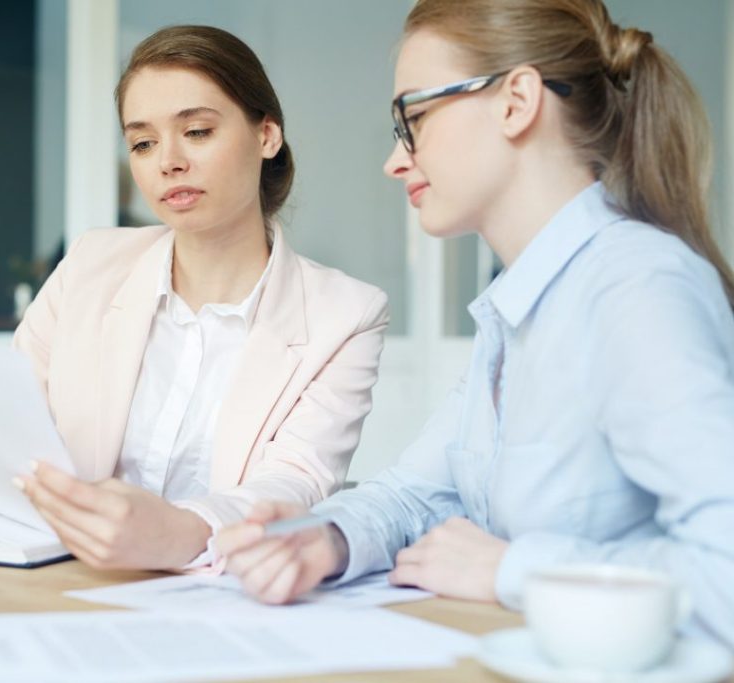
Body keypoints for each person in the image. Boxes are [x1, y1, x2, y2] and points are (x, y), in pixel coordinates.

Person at [217, 0, 734, 647]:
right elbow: (417, 492)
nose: (395, 160)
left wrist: (512, 567)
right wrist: (324, 537)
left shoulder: (635, 288)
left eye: (415, 117)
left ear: (517, 101)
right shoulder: (515, 310)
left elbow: (726, 569)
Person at [0, 25, 389, 571]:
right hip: (61, 578)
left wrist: (179, 531)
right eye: (143, 142)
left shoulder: (347, 315)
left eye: (196, 131)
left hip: (219, 594)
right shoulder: (89, 267)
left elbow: (295, 484)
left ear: (267, 136)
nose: (167, 161)